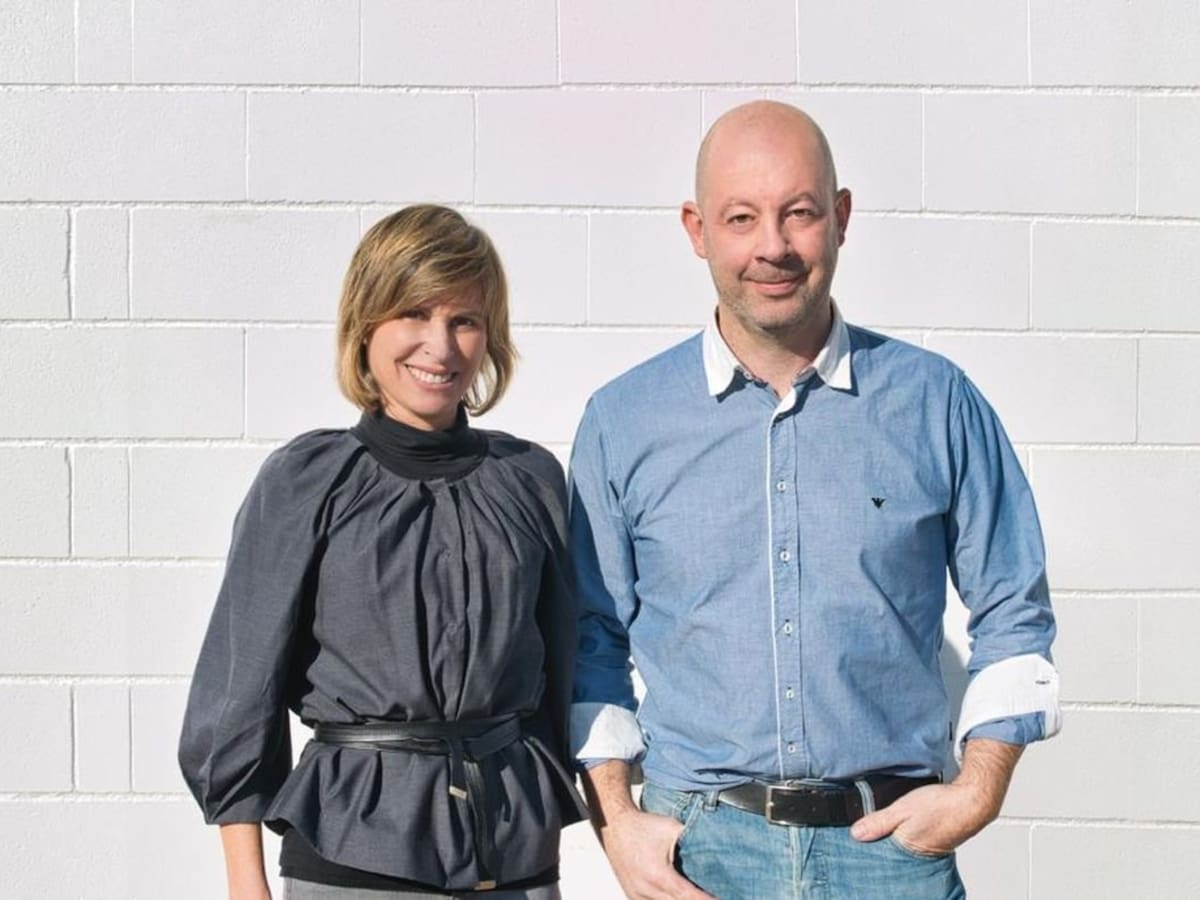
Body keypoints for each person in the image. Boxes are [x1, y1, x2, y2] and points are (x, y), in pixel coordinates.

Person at [567, 101, 1061, 899]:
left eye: (798, 213)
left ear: (841, 218)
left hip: (891, 854)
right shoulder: (623, 422)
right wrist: (617, 823)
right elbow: (590, 638)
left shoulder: (935, 403)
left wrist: (978, 790)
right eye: (741, 218)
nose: (773, 246)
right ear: (697, 229)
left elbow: (1014, 609)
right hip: (700, 854)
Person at [178, 204, 586, 900]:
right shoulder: (308, 482)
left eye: (464, 320)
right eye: (414, 314)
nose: (441, 346)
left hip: (513, 858)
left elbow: (566, 675)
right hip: (354, 851)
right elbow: (239, 687)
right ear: (366, 325)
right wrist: (246, 884)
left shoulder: (529, 481)